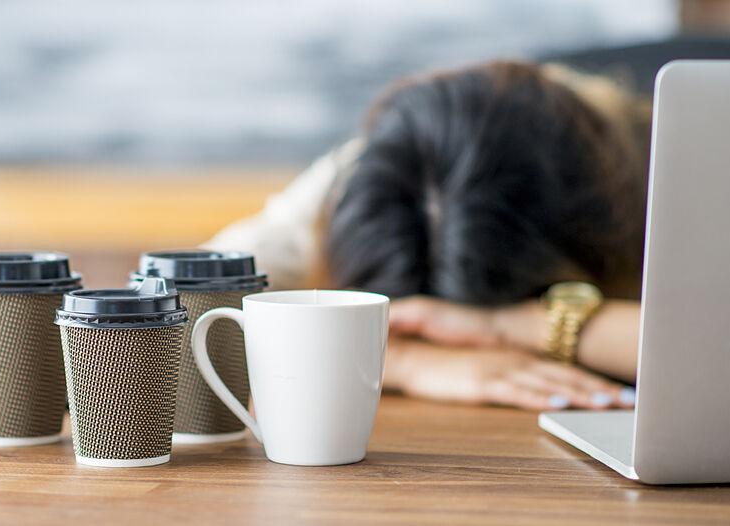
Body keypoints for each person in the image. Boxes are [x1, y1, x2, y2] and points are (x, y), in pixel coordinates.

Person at [202, 60, 650, 411]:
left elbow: (718, 351)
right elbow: (173, 322)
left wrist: (510, 326)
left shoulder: (664, 161)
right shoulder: (367, 177)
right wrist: (401, 362)